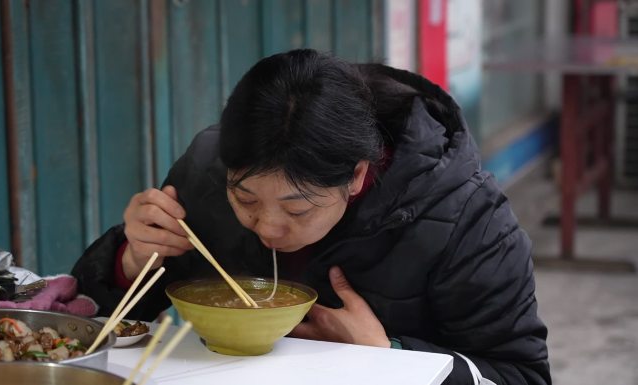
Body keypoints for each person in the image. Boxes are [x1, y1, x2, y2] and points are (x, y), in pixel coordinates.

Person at [72, 49, 551, 385]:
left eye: (296, 208)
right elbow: (90, 325)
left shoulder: (468, 220)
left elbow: (522, 374)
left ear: (357, 177)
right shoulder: (207, 169)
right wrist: (130, 261)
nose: (267, 228)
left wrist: (391, 360)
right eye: (246, 200)